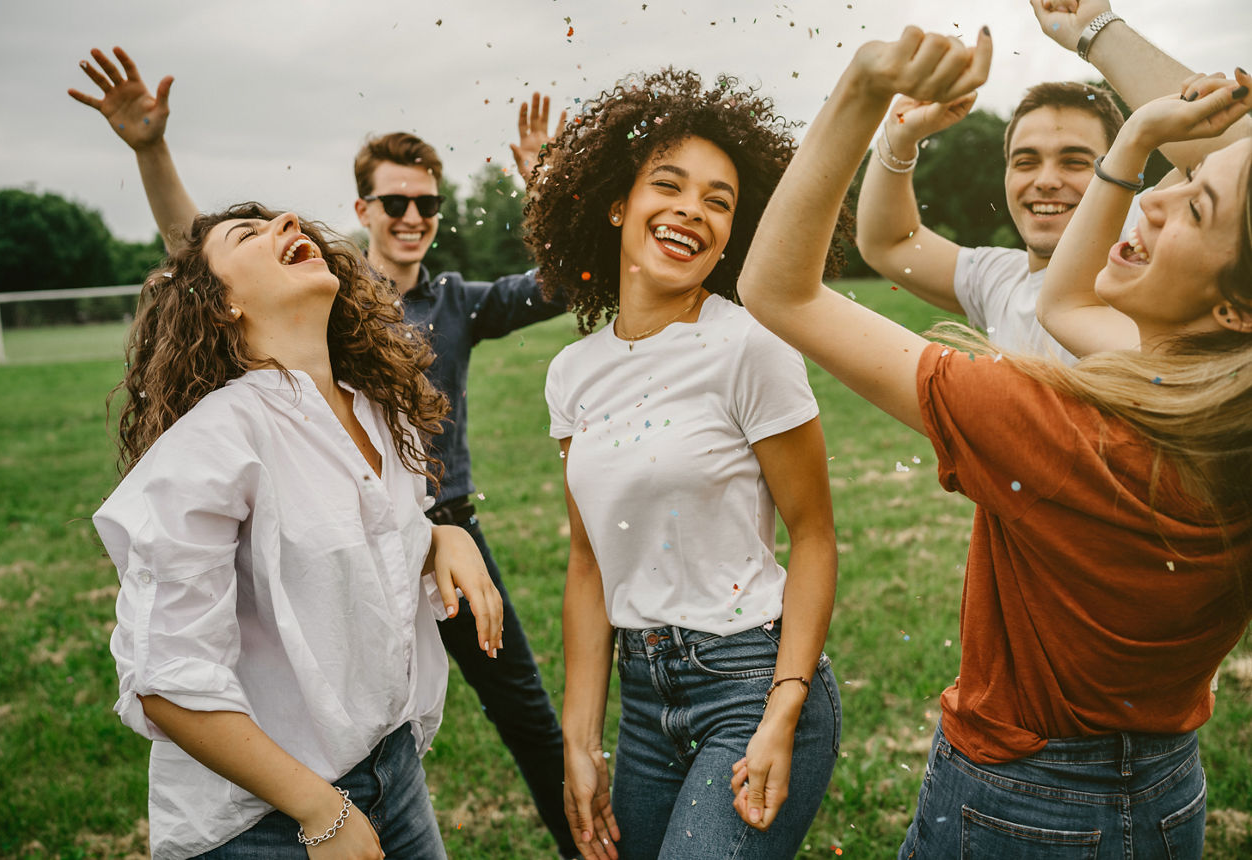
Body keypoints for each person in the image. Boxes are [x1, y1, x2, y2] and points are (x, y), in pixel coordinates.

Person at [740, 24, 1252, 859]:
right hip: (1163, 787)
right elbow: (1063, 306)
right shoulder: (1220, 414)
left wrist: (862, 92)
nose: (1152, 196)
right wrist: (1135, 128)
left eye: (1193, 200)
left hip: (1024, 798)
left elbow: (776, 289)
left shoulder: (1059, 427)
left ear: (1235, 308)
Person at [69, 48, 580, 857]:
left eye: (429, 202)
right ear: (364, 209)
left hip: (429, 542)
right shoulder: (250, 404)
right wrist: (152, 152)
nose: (414, 215)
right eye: (397, 201)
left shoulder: (438, 320)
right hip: (270, 808)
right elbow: (194, 254)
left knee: (523, 708)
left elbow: (563, 280)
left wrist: (442, 532)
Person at [95, 202, 505, 858]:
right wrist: (320, 811)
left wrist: (438, 540)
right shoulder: (213, 445)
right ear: (221, 303)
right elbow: (167, 675)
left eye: (285, 222)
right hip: (264, 820)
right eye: (248, 234)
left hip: (393, 774)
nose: (290, 222)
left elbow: (356, 545)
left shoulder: (377, 408)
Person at [527, 68, 847, 860]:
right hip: (643, 707)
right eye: (667, 185)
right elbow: (588, 562)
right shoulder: (571, 373)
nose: (690, 212)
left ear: (736, 232)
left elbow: (813, 537)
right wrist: (581, 738)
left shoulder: (752, 347)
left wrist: (782, 711)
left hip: (750, 684)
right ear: (616, 204)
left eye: (718, 200)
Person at [856, 2, 1250, 364]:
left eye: (1075, 161)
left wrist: (1096, 31)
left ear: (1122, 166)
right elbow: (890, 243)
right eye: (1025, 161)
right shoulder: (997, 277)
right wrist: (898, 136)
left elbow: (1236, 167)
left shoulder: (1144, 241)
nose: (1045, 181)